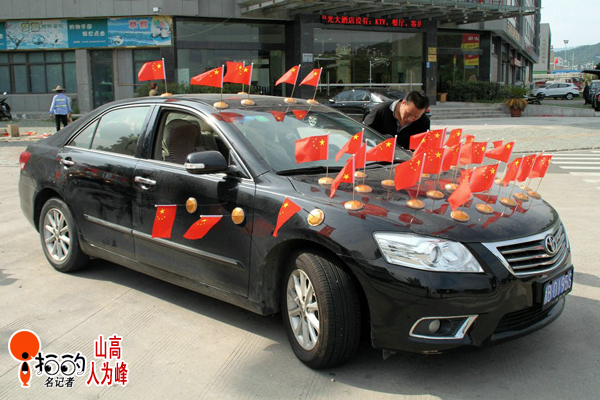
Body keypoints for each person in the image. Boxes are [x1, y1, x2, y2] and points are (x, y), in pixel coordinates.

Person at [363, 90, 430, 149]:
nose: (410, 119)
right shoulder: (381, 110)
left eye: (416, 116)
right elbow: (364, 134)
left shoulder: (424, 121)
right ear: (403, 103)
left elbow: (422, 147)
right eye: (408, 113)